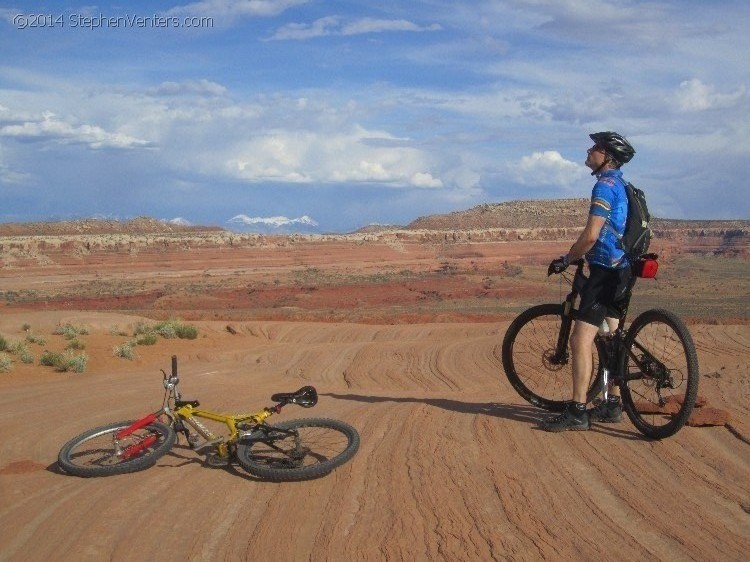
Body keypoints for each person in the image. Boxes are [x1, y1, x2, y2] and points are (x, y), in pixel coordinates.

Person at [542, 131, 636, 432]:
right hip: (624, 269)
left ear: (606, 156)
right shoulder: (623, 185)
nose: (589, 150)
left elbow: (592, 234)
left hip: (605, 271)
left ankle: (578, 411)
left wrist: (568, 258)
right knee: (611, 338)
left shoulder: (604, 186)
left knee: (579, 339)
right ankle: (612, 403)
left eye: (595, 147)